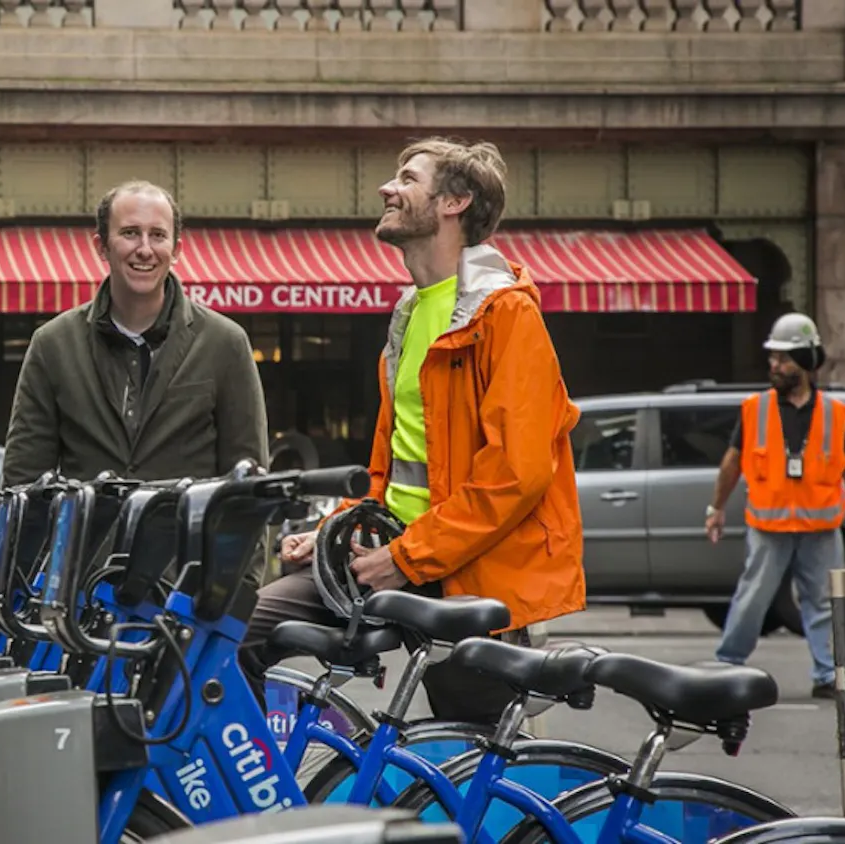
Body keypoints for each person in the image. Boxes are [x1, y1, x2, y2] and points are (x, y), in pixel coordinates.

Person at [238, 137, 587, 724]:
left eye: (407, 178)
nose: (387, 189)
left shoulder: (506, 314)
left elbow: (516, 475)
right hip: (398, 553)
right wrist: (328, 533)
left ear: (455, 201)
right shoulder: (409, 312)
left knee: (474, 759)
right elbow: (394, 470)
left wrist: (405, 557)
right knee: (236, 634)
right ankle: (261, 798)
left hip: (472, 576)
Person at [1, 179, 269, 488]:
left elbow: (249, 485)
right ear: (101, 246)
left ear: (176, 249)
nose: (144, 249)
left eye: (157, 235)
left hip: (188, 535)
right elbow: (22, 482)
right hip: (88, 536)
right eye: (130, 233)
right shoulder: (52, 345)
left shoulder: (225, 343)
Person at [705, 312, 845, 700]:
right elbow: (732, 461)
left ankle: (827, 676)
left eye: (784, 358)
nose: (775, 365)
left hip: (820, 528)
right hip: (769, 526)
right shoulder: (754, 408)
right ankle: (728, 666)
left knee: (822, 603)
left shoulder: (835, 413)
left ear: (806, 361)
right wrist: (716, 508)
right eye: (772, 358)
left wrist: (837, 496)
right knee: (752, 599)